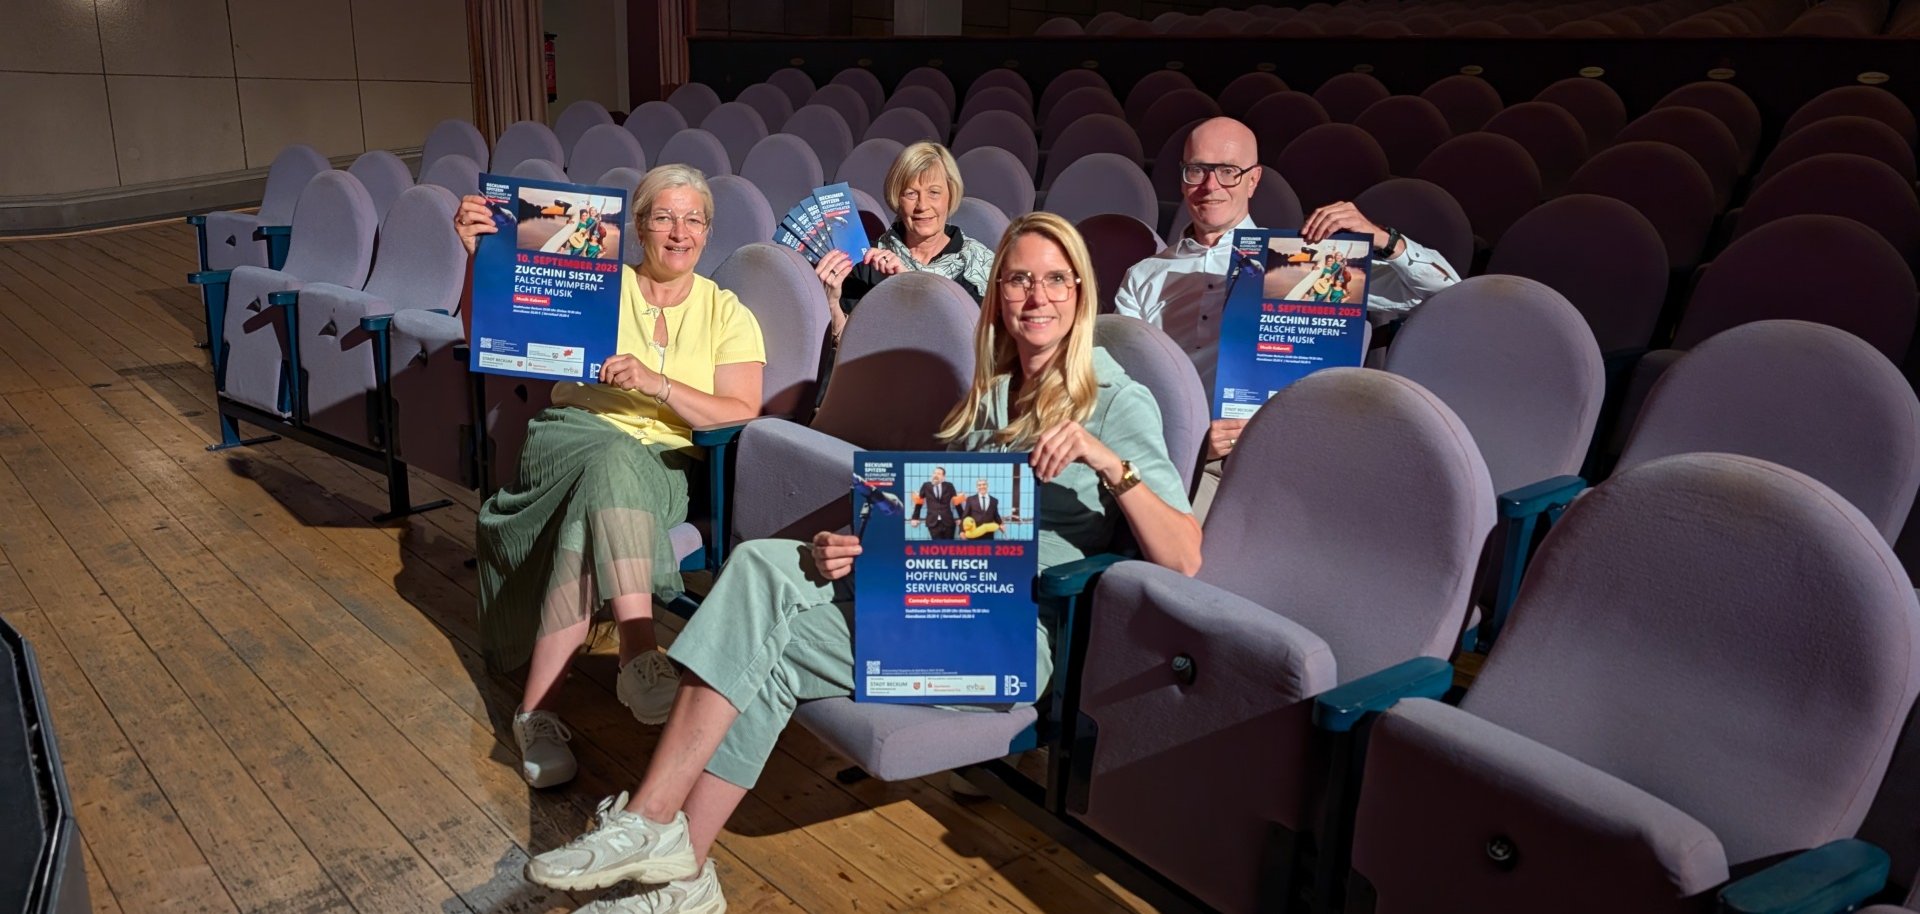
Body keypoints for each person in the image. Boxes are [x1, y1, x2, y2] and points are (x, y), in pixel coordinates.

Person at [521, 212, 1202, 913]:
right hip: (932, 596)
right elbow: (945, 525)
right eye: (1020, 279)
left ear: (1082, 294)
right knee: (759, 567)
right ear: (998, 293)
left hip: (1008, 635)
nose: (1037, 296)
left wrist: (1106, 459)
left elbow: (1182, 556)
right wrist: (855, 545)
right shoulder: (991, 398)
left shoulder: (1117, 401)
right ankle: (670, 851)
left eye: (1056, 280)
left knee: (767, 646)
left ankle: (664, 841)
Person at [457, 164, 768, 789]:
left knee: (605, 490)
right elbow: (489, 334)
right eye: (662, 217)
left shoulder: (728, 312)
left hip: (664, 466)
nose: (679, 232)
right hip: (568, 442)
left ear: (708, 231)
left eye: (693, 219)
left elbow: (739, 411)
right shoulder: (596, 283)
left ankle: (536, 716)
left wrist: (658, 386)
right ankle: (637, 651)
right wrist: (478, 260)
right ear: (637, 226)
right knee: (606, 457)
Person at [1112, 116, 1460, 517]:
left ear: (1253, 180)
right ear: (1182, 177)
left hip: (1289, 455)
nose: (1210, 187)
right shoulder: (1144, 276)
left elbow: (1448, 293)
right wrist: (1186, 438)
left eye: (1228, 171)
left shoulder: (1307, 260)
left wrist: (1385, 239)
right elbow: (1130, 385)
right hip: (1180, 457)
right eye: (1197, 171)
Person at [813, 142, 997, 352]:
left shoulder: (978, 268)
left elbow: (975, 350)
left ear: (951, 196)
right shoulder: (865, 262)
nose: (922, 205)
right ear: (897, 198)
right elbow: (851, 349)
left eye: (934, 192)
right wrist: (831, 305)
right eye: (911, 194)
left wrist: (911, 283)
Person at [910, 466, 959, 539]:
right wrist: (915, 518)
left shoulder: (949, 486)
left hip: (948, 522)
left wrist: (962, 518)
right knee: (936, 547)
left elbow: (957, 502)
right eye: (934, 473)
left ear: (943, 477)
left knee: (949, 547)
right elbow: (919, 502)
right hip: (933, 522)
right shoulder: (926, 486)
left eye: (939, 474)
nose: (936, 475)